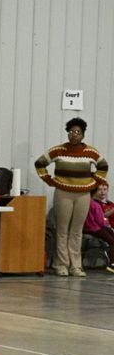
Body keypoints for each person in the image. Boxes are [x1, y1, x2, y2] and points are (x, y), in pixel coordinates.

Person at [35, 118, 108, 277]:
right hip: (63, 193)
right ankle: (61, 265)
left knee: (77, 231)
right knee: (62, 230)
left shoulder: (91, 152)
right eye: (71, 131)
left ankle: (76, 266)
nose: (74, 134)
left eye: (78, 132)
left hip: (83, 195)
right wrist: (49, 180)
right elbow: (39, 163)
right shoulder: (58, 150)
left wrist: (94, 183)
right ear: (68, 133)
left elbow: (103, 166)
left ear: (83, 135)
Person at [82, 182, 114, 273]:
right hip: (95, 229)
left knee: (110, 233)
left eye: (104, 189)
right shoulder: (96, 205)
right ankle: (112, 264)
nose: (102, 192)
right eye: (99, 190)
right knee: (112, 242)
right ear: (95, 192)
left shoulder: (84, 203)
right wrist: (107, 225)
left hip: (87, 228)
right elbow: (100, 221)